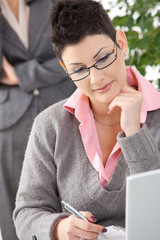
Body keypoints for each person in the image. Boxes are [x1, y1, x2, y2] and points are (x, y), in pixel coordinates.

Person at [13, 0, 160, 239]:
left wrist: (135, 133)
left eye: (103, 58)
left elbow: (157, 208)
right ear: (64, 68)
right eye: (79, 70)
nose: (96, 79)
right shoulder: (50, 125)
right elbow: (27, 214)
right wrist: (58, 228)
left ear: (120, 44)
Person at [0, 0, 75, 239]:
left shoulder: (53, 3)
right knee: (17, 202)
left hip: (64, 106)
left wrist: (24, 74)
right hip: (10, 120)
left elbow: (77, 53)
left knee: (73, 187)